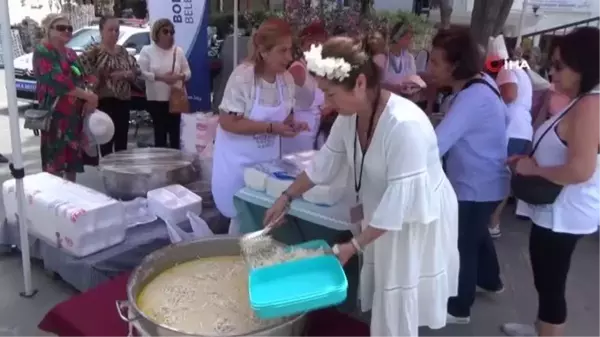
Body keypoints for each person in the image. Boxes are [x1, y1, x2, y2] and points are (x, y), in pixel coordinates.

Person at [264, 35, 459, 337]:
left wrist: (352, 246)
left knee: (396, 296)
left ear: (360, 83)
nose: (326, 105)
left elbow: (400, 205)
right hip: (384, 212)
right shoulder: (349, 116)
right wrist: (286, 196)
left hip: (412, 219)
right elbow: (323, 165)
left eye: (331, 95)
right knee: (384, 289)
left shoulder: (404, 126)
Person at [501, 27, 600, 337]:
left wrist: (532, 170)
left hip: (565, 212)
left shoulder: (590, 105)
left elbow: (580, 170)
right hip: (560, 210)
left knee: (550, 282)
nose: (551, 73)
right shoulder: (583, 100)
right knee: (546, 279)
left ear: (583, 65)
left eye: (559, 66)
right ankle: (541, 327)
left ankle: (547, 331)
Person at [428, 27, 509, 324]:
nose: (430, 69)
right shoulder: (482, 84)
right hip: (487, 180)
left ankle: (459, 307)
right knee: (477, 235)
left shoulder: (472, 97)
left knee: (463, 243)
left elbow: (435, 145)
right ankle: (491, 280)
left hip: (475, 184)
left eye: (435, 62)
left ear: (456, 64)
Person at [212, 18, 306, 235]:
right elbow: (227, 122)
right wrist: (272, 128)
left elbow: (284, 117)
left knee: (263, 221)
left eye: (290, 50)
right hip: (236, 166)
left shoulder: (286, 80)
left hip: (267, 167)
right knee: (241, 220)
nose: (289, 57)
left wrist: (291, 125)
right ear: (263, 51)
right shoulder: (243, 77)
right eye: (282, 51)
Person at [33, 14, 98, 182]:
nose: (67, 31)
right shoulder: (43, 52)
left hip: (74, 117)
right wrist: (88, 96)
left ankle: (71, 198)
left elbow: (84, 76)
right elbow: (59, 82)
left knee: (72, 162)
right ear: (49, 29)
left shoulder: (70, 53)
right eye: (61, 28)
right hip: (55, 116)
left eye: (69, 28)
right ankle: (54, 201)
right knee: (54, 163)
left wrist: (89, 93)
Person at [486, 36, 534, 238]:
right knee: (505, 179)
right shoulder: (523, 72)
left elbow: (510, 94)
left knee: (497, 176)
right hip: (524, 131)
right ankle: (493, 224)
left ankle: (491, 222)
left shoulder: (507, 69)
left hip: (511, 130)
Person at [78, 15, 140, 156]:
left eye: (117, 30)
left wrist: (125, 74)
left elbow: (137, 70)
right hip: (104, 102)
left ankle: (121, 175)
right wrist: (91, 85)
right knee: (106, 142)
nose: (114, 33)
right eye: (110, 30)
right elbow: (76, 71)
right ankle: (108, 175)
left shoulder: (123, 52)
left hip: (123, 101)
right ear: (101, 31)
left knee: (121, 142)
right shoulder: (94, 52)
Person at [138, 18, 191, 149]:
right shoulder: (147, 50)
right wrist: (160, 77)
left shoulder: (178, 51)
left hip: (174, 99)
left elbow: (188, 72)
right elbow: (140, 73)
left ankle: (175, 165)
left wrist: (179, 76)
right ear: (157, 33)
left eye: (171, 32)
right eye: (165, 31)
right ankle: (160, 166)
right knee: (160, 136)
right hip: (156, 100)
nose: (169, 35)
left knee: (175, 136)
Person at [282, 21, 328, 154]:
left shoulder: (318, 70)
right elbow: (283, 99)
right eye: (312, 44)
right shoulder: (298, 69)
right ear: (303, 47)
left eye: (320, 44)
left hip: (313, 133)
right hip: (298, 136)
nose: (317, 49)